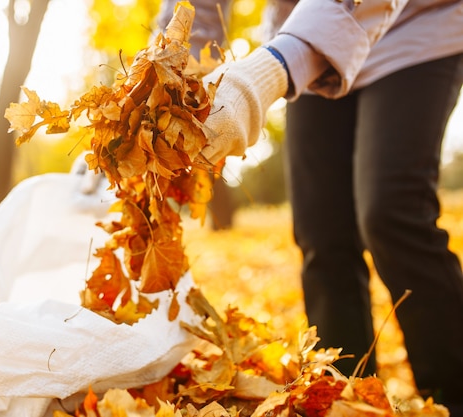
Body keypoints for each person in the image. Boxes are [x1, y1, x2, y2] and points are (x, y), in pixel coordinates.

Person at [157, 0, 463, 412]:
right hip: (304, 26)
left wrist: (276, 67)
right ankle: (346, 397)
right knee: (322, 229)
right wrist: (165, 80)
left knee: (392, 213)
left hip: (414, 28)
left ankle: (453, 392)